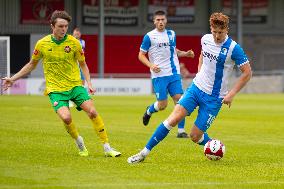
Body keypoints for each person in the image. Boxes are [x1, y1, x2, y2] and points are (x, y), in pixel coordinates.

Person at [128, 12, 252, 164]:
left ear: (227, 30)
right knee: (172, 120)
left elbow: (247, 73)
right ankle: (142, 153)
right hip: (196, 88)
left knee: (194, 136)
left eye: (220, 32)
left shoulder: (234, 48)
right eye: (214, 32)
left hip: (214, 98)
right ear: (211, 29)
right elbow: (202, 56)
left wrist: (231, 94)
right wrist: (200, 72)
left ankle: (213, 146)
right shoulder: (205, 39)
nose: (217, 36)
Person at [1, 10, 121, 158]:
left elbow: (83, 64)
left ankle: (107, 147)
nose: (64, 29)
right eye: (61, 26)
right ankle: (79, 141)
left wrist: (89, 83)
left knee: (92, 112)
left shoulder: (74, 43)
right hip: (55, 89)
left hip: (75, 85)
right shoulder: (42, 44)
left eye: (66, 26)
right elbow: (32, 64)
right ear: (52, 26)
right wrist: (13, 79)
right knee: (66, 118)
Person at [140, 10, 194, 138]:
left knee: (180, 100)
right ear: (154, 21)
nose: (160, 22)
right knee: (162, 105)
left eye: (162, 19)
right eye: (158, 20)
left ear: (166, 20)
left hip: (174, 73)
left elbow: (173, 50)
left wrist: (185, 54)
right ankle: (149, 111)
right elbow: (141, 55)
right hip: (159, 76)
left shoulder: (171, 34)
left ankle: (181, 131)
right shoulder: (149, 36)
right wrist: (151, 65)